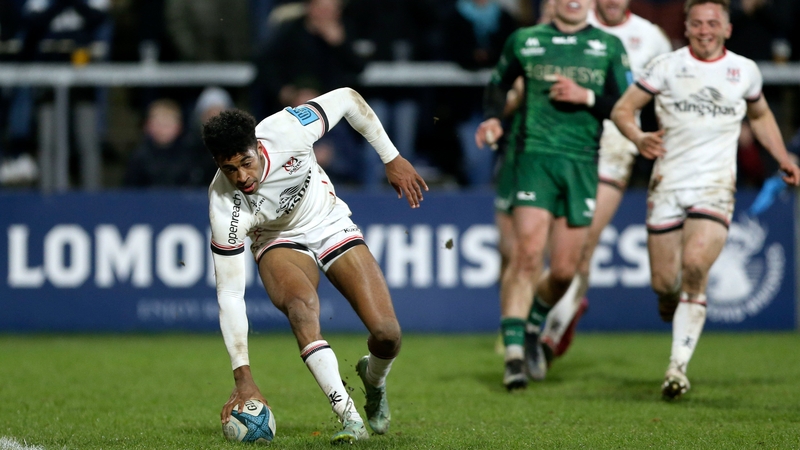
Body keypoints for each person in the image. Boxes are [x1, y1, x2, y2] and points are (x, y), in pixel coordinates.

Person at [202, 87, 427, 442]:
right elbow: (230, 293)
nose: (242, 177)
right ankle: (350, 418)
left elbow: (350, 99)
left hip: (327, 221)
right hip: (277, 240)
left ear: (258, 147)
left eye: (246, 162)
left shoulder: (289, 130)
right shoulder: (223, 206)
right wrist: (242, 377)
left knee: (387, 335)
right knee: (301, 308)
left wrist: (391, 157)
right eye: (229, 169)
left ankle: (373, 379)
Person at [610, 0, 800, 399]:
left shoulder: (744, 71)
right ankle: (670, 300)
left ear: (727, 29)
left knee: (696, 263)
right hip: (668, 184)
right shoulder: (666, 66)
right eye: (697, 23)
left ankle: (677, 369)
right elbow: (623, 109)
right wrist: (638, 136)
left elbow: (761, 115)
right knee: (665, 283)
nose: (705, 30)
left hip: (714, 185)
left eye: (713, 22)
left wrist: (782, 157)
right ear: (687, 26)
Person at [475, 0, 632, 390]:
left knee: (564, 270)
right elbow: (497, 84)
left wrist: (588, 97)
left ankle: (532, 324)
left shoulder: (609, 47)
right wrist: (494, 118)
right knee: (526, 254)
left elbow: (628, 106)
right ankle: (513, 356)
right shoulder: (525, 40)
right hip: (534, 160)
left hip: (581, 164)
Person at [538, 0, 672, 362]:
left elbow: (671, 90)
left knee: (584, 241)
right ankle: (563, 308)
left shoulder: (650, 37)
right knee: (555, 247)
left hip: (615, 146)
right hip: (565, 143)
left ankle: (550, 335)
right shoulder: (572, 25)